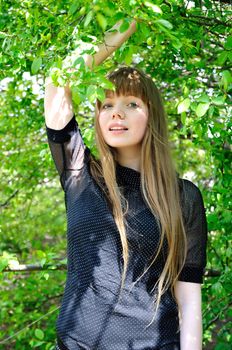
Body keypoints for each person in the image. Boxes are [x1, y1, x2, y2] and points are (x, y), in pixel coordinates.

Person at [44, 20, 207, 350]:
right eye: (106, 105)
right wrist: (127, 23)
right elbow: (57, 83)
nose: (116, 114)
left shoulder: (183, 196)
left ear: (151, 115)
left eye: (131, 104)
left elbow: (188, 297)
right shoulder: (80, 174)